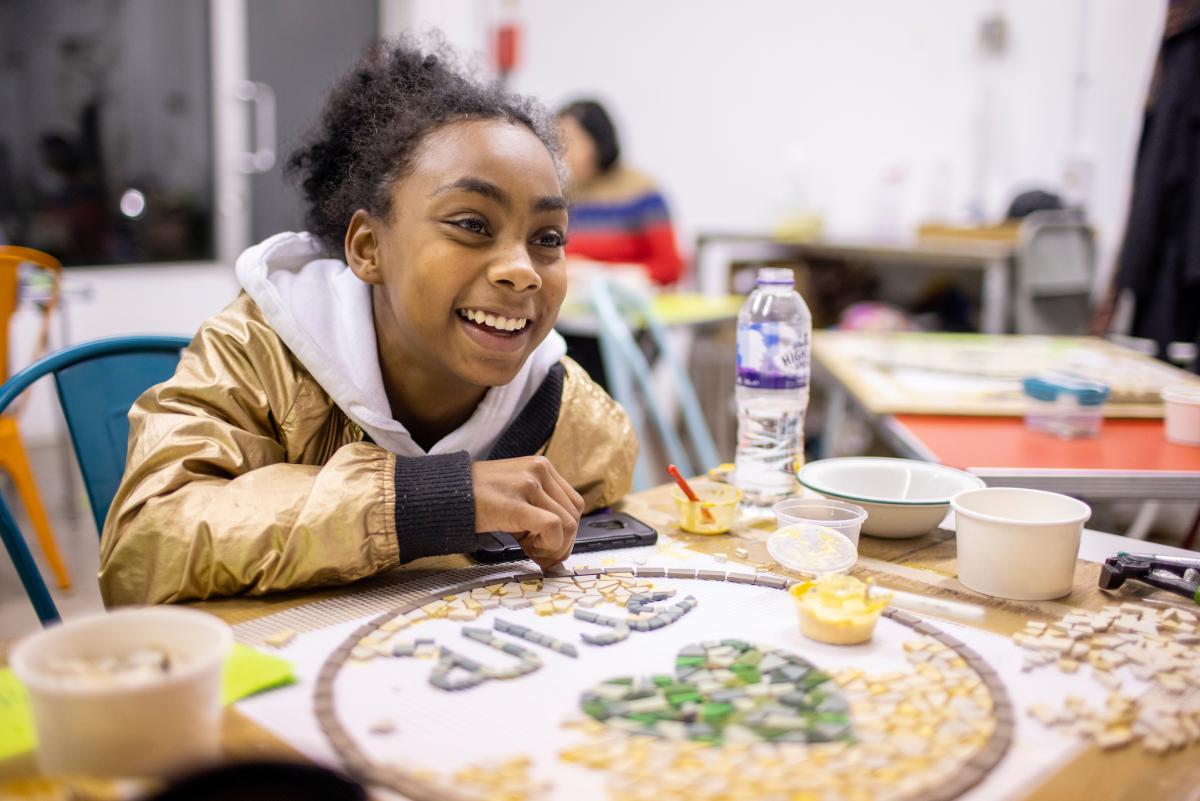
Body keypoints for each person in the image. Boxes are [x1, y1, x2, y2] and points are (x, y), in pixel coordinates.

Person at [98, 38, 638, 605]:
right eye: (472, 224)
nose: (522, 271)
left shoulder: (565, 408)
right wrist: (432, 500)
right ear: (367, 247)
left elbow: (614, 483)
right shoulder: (258, 353)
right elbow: (142, 546)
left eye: (548, 238)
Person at [556, 100, 685, 286]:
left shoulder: (642, 192)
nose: (564, 153)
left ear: (597, 140)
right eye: (558, 143)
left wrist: (600, 274)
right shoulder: (562, 195)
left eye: (572, 142)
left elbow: (669, 267)